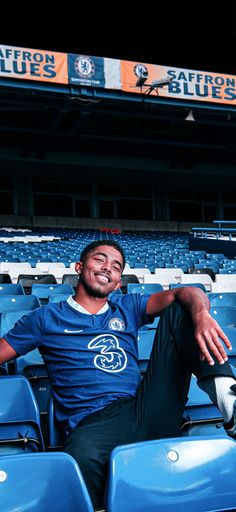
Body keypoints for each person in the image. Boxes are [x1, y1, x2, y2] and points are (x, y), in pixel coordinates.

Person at [0, 239, 236, 509]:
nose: (107, 268)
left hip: (141, 409)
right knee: (78, 458)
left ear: (117, 282)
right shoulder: (44, 318)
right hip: (92, 424)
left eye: (116, 266)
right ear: (79, 267)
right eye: (99, 259)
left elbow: (188, 291)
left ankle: (230, 403)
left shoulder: (127, 307)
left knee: (183, 306)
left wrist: (201, 314)